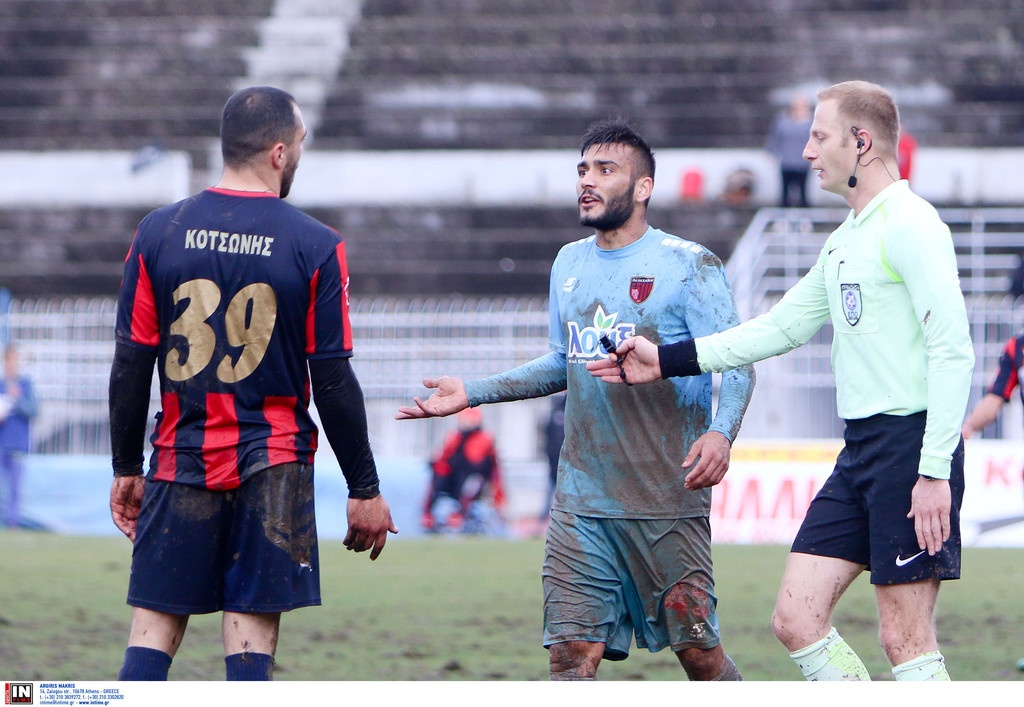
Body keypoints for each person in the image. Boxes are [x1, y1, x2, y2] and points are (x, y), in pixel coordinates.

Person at [589, 81, 976, 681]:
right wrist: (665, 360)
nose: (807, 152)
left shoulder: (912, 224)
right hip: (862, 452)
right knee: (796, 618)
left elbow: (953, 351)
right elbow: (778, 328)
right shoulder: (846, 239)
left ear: (862, 142)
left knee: (905, 638)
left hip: (912, 448)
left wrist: (932, 471)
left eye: (819, 137)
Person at [396, 118, 754, 680]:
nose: (588, 181)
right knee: (570, 657)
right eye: (583, 169)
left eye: (606, 170)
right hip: (582, 499)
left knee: (700, 657)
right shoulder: (568, 262)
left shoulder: (690, 265)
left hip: (667, 499)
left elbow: (737, 362)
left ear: (643, 187)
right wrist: (474, 391)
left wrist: (721, 432)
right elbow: (562, 362)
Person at [108, 86, 397, 681]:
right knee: (250, 631)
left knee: (155, 623)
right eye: (298, 146)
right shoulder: (315, 245)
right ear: (277, 152)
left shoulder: (158, 232)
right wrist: (364, 487)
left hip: (179, 455)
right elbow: (334, 378)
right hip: (275, 462)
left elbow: (131, 362)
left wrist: (124, 468)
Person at [422, 406, 505, 534]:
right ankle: (430, 515)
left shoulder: (484, 439)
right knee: (436, 479)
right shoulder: (455, 438)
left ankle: (460, 515)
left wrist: (499, 499)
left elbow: (492, 469)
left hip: (474, 478)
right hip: (454, 479)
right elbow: (443, 459)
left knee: (471, 484)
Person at [0, 344, 38, 528]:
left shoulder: (25, 385)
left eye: (15, 361)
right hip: (2, 441)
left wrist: (18, 399)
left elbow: (33, 410)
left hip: (17, 443)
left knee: (15, 486)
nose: (12, 365)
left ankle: (13, 521)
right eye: (9, 361)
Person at [765, 93, 814, 207]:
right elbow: (775, 137)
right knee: (784, 194)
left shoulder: (811, 123)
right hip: (786, 163)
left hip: (803, 163)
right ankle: (783, 220)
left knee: (803, 193)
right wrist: (772, 152)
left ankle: (804, 220)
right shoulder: (783, 121)